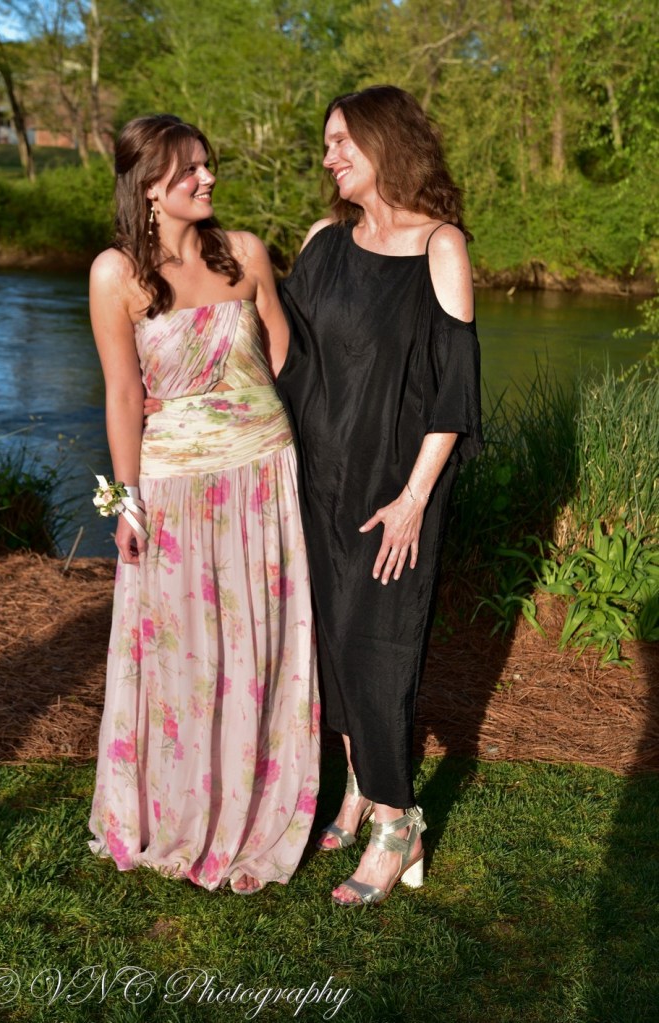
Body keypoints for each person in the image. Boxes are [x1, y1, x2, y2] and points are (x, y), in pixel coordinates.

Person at [88, 114, 320, 895]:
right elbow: (123, 394)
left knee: (260, 642)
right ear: (149, 185)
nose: (208, 178)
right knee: (183, 650)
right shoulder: (116, 274)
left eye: (208, 164)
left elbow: (282, 350)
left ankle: (262, 804)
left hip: (264, 473)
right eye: (189, 169)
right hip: (176, 484)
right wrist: (127, 501)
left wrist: (244, 410)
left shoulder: (245, 252)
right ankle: (182, 806)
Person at [276, 85, 483, 906]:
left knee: (377, 646)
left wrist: (414, 498)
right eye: (327, 142)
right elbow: (285, 357)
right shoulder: (322, 240)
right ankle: (360, 786)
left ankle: (399, 823)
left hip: (393, 490)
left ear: (384, 142)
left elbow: (454, 391)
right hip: (315, 478)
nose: (329, 156)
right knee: (332, 640)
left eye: (342, 141)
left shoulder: (440, 246)